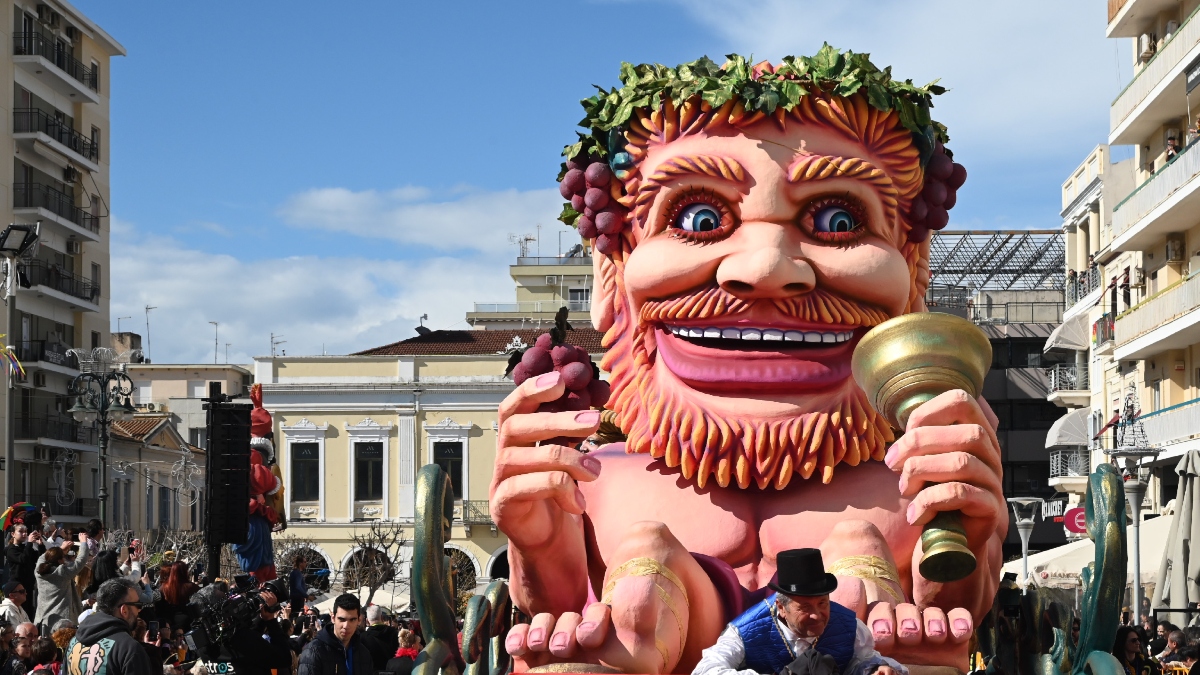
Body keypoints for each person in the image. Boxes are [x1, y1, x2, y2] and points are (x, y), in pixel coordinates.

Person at [692, 549, 906, 675]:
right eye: (804, 607)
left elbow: (862, 661)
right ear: (782, 608)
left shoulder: (850, 626)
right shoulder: (745, 631)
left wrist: (876, 670)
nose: (817, 615)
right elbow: (706, 670)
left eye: (822, 603)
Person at [185, 582, 291, 675]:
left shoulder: (204, 647)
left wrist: (261, 619)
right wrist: (271, 621)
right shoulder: (242, 640)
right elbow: (284, 659)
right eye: (226, 602)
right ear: (218, 611)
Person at [65, 578, 153, 675]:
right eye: (138, 605)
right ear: (124, 610)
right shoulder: (130, 649)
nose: (139, 610)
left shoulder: (74, 642)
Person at [298, 594, 374, 675]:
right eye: (341, 619)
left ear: (359, 620)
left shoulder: (364, 653)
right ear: (333, 618)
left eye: (352, 620)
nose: (346, 626)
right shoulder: (313, 651)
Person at [32, 541, 87, 635]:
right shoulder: (63, 573)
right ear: (59, 560)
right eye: (63, 557)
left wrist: (60, 549)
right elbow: (81, 561)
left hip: (44, 618)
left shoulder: (38, 571)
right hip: (62, 619)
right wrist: (84, 543)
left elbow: (42, 557)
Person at [4, 527, 43, 619]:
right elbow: (23, 559)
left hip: (28, 585)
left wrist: (40, 545)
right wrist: (29, 543)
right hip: (17, 585)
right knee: (19, 613)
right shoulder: (11, 549)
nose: (24, 534)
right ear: (13, 534)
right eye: (21, 532)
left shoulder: (25, 548)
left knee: (29, 613)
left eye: (26, 532)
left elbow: (40, 558)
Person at [153, 562, 198, 631]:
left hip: (170, 626)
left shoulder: (163, 588)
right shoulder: (192, 587)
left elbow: (158, 609)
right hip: (189, 624)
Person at [364, 605, 398, 670]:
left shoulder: (363, 637)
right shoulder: (394, 633)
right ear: (382, 618)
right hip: (391, 671)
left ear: (367, 621)